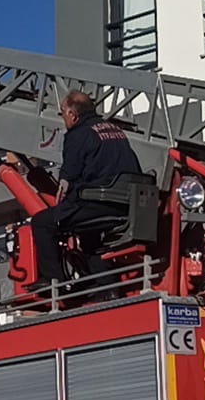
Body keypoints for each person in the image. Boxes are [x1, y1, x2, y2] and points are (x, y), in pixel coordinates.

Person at [19, 90, 145, 284]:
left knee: (43, 222)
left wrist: (63, 202)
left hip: (99, 202)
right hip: (128, 205)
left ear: (72, 114)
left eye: (62, 113)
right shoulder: (115, 130)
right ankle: (105, 285)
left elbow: (68, 178)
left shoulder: (78, 134)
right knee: (88, 233)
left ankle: (54, 282)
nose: (62, 118)